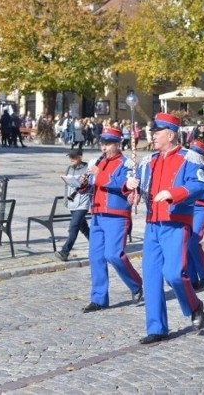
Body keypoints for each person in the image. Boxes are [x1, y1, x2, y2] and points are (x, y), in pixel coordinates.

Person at [125, 112, 204, 344]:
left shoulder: (190, 158)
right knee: (151, 278)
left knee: (173, 274)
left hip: (176, 223)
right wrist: (130, 189)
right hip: (152, 224)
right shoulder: (148, 160)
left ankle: (194, 305)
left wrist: (174, 193)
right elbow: (137, 191)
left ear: (170, 134)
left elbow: (199, 186)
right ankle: (157, 327)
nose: (153, 136)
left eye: (157, 132)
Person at [79, 127, 143, 313]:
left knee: (113, 254)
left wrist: (99, 174)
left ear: (117, 144)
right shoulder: (100, 163)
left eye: (107, 144)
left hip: (116, 215)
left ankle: (136, 284)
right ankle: (99, 298)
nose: (103, 147)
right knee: (96, 257)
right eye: (102, 143)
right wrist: (83, 184)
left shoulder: (126, 164)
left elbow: (123, 185)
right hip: (97, 214)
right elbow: (93, 187)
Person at [186, 140, 204, 290]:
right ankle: (191, 278)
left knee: (193, 241)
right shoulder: (185, 168)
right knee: (185, 242)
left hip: (200, 209)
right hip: (188, 208)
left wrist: (189, 192)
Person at [56, 150, 91, 262]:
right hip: (72, 202)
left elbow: (91, 186)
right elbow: (67, 186)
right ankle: (98, 244)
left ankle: (64, 252)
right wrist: (66, 199)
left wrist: (84, 184)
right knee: (83, 227)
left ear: (80, 157)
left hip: (83, 202)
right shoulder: (69, 168)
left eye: (73, 157)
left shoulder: (87, 168)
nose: (71, 159)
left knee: (73, 226)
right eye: (70, 157)